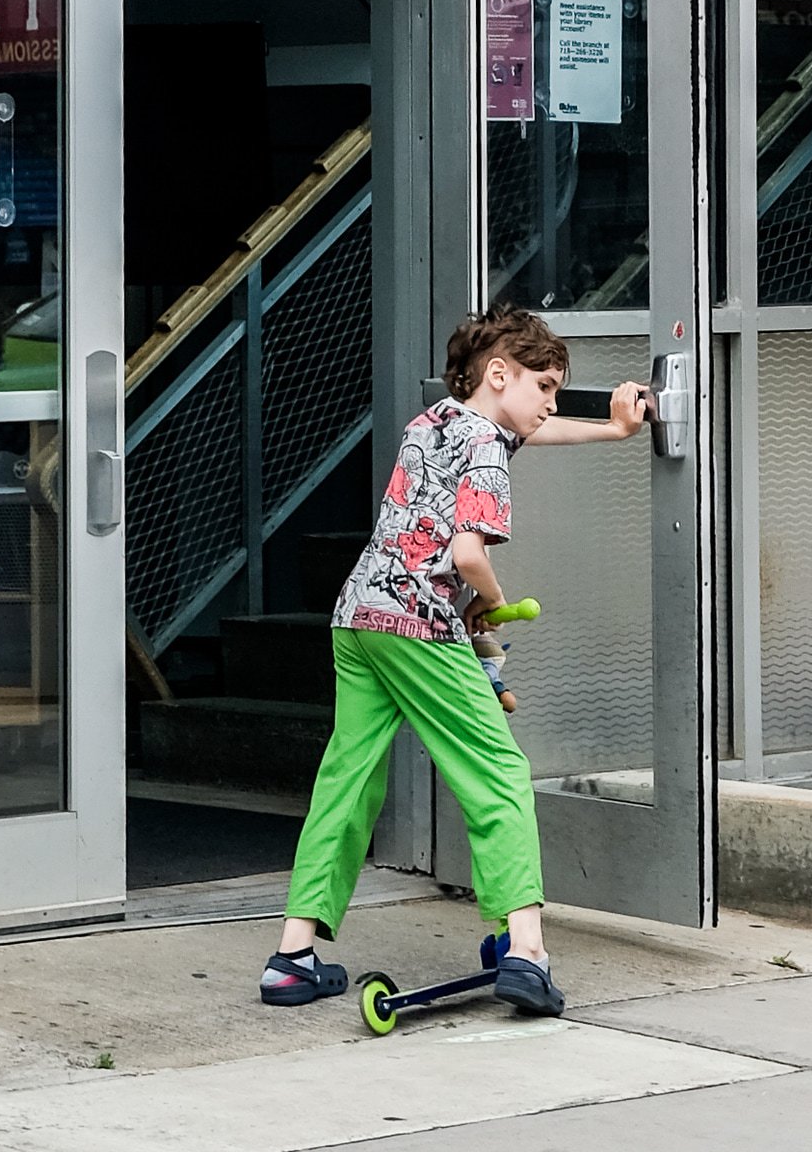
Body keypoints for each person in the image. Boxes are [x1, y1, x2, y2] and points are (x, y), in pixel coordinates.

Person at [259, 307, 649, 1019]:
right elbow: (468, 554)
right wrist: (489, 601)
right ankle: (527, 950)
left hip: (358, 617)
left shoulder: (435, 420)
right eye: (546, 385)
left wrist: (613, 428)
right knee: (496, 772)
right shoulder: (488, 451)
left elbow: (530, 428)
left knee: (348, 778)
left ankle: (293, 957)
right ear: (501, 375)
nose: (552, 402)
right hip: (419, 627)